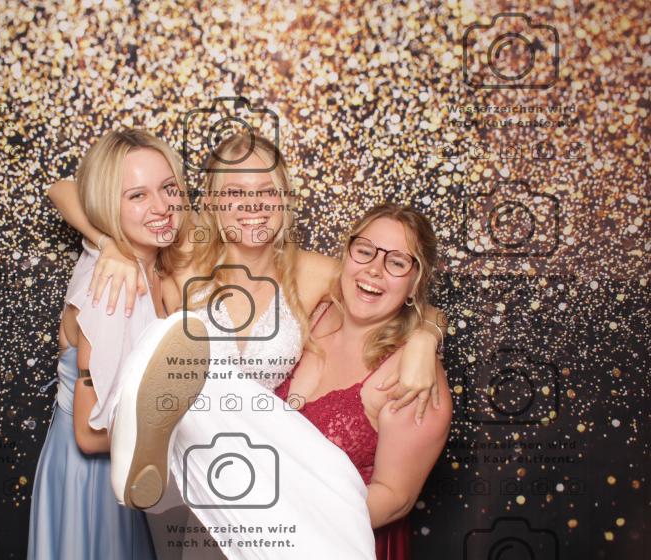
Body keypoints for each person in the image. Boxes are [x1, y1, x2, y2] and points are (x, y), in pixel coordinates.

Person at [49, 133, 447, 558]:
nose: (252, 205)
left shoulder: (314, 274)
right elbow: (64, 189)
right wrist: (108, 242)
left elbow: (389, 289)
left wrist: (426, 338)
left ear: (285, 199)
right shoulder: (181, 252)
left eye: (266, 191)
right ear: (211, 202)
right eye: (235, 192)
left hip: (255, 481)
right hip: (189, 477)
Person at [28, 129, 198, 559]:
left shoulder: (137, 260)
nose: (161, 207)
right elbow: (89, 435)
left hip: (122, 472)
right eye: (137, 195)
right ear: (107, 204)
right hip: (94, 483)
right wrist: (190, 436)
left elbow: (64, 189)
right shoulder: (114, 286)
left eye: (169, 188)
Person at [275, 203, 453, 559]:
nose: (374, 269)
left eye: (397, 263)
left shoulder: (413, 377)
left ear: (415, 282)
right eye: (365, 251)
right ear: (346, 253)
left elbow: (395, 498)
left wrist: (286, 525)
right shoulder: (312, 308)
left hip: (333, 545)